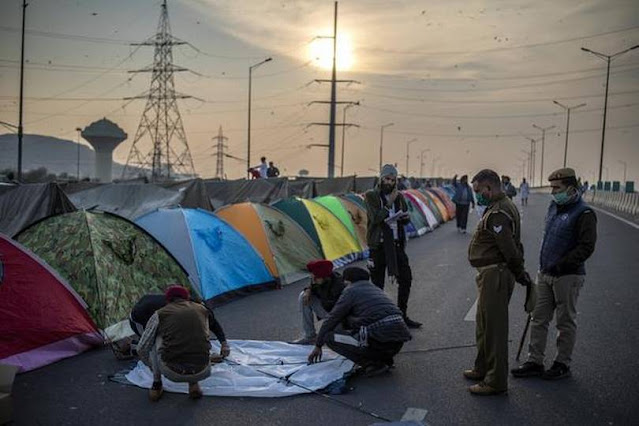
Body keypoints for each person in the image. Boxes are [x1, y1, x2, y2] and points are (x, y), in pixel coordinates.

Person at [511, 168, 597, 380]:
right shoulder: (553, 207)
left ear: (570, 188)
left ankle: (562, 364)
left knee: (565, 321)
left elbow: (586, 247)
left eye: (557, 188)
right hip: (545, 273)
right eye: (552, 187)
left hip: (568, 276)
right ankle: (534, 361)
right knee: (538, 318)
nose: (553, 192)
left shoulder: (584, 213)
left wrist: (562, 264)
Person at [465, 169, 533, 396]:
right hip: (491, 274)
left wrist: (520, 272)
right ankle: (482, 367)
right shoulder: (499, 207)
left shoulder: (499, 212)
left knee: (494, 330)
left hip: (496, 274)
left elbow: (509, 249)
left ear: (488, 188)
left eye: (478, 191)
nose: (477, 196)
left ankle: (495, 381)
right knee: (484, 325)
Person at [307, 267, 412, 377]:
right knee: (361, 326)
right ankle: (384, 359)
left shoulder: (350, 291)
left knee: (329, 337)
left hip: (379, 340)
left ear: (348, 281)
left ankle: (371, 364)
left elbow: (332, 318)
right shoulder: (375, 289)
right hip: (398, 341)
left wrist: (318, 345)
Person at [364, 164, 422, 329]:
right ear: (381, 178)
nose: (389, 182)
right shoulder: (371, 196)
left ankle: (402, 315)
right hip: (379, 245)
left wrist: (404, 218)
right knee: (377, 285)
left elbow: (406, 216)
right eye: (386, 179)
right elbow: (375, 218)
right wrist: (388, 204)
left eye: (392, 179)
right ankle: (377, 319)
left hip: (396, 245)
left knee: (406, 279)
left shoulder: (400, 197)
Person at [137, 285, 213, 401]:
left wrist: (151, 365)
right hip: (204, 369)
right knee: (193, 335)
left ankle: (156, 384)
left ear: (167, 300)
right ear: (187, 298)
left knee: (154, 337)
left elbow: (142, 348)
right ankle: (194, 384)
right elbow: (206, 336)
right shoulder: (201, 309)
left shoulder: (160, 313)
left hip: (173, 372)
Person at [130, 293, 230, 359]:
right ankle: (130, 347)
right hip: (139, 318)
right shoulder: (177, 316)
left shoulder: (199, 308)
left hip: (150, 308)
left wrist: (224, 343)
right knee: (154, 349)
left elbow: (214, 324)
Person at [291, 260, 345, 345]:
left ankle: (337, 335)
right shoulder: (321, 279)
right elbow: (312, 285)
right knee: (303, 296)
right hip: (328, 311)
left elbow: (339, 313)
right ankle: (310, 336)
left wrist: (322, 335)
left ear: (324, 276)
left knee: (335, 341)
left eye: (315, 278)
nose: (313, 280)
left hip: (340, 318)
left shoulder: (339, 286)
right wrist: (308, 290)